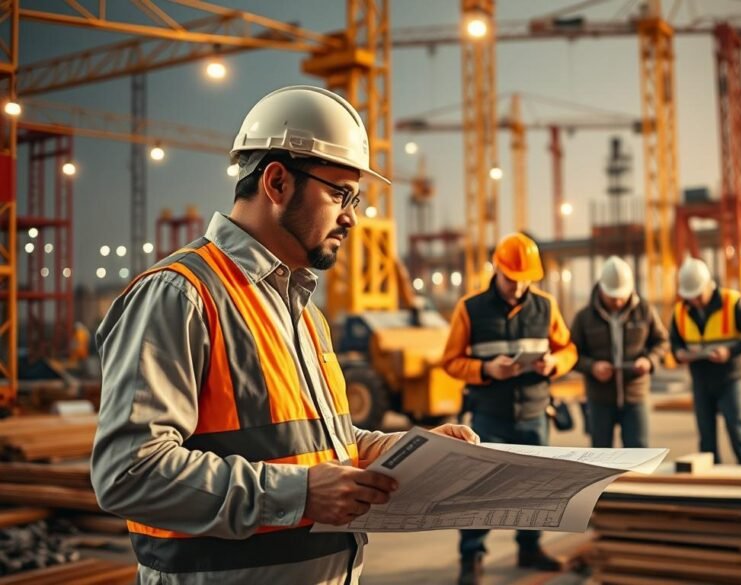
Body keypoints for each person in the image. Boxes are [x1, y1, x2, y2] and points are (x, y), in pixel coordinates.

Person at [91, 85, 478, 585]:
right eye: (339, 193)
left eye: (354, 198)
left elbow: (312, 444)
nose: (352, 217)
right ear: (277, 182)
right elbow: (129, 473)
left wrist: (402, 450)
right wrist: (298, 494)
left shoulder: (302, 311)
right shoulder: (180, 295)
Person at [441, 232, 578, 585]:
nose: (517, 288)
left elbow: (568, 350)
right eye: (511, 279)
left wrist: (554, 364)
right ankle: (471, 557)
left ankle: (529, 547)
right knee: (478, 491)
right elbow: (451, 361)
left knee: (535, 489)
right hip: (489, 415)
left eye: (524, 281)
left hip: (534, 414)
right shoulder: (470, 308)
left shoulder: (546, 306)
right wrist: (486, 369)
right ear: (496, 270)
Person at [669, 257, 741, 465]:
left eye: (698, 295)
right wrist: (679, 354)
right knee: (706, 439)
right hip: (700, 381)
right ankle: (712, 482)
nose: (694, 300)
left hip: (729, 379)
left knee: (738, 433)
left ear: (708, 285)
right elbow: (674, 343)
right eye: (690, 296)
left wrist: (730, 352)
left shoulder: (732, 302)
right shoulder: (680, 312)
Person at [570, 256, 669, 448]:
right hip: (599, 399)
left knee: (638, 454)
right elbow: (571, 354)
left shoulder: (645, 311)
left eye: (621, 296)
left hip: (635, 395)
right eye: (612, 297)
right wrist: (592, 367)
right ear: (601, 289)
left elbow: (662, 342)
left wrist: (649, 361)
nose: (617, 301)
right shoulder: (584, 318)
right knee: (601, 456)